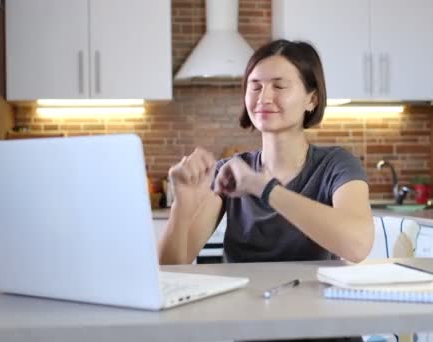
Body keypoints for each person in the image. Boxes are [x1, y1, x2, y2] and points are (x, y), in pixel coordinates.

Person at [159, 39, 374, 268]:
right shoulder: (229, 173)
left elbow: (358, 246)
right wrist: (181, 205)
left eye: (279, 86)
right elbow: (171, 266)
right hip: (242, 302)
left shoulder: (336, 165)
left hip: (313, 301)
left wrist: (262, 187)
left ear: (312, 99)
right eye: (255, 87)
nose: (263, 98)